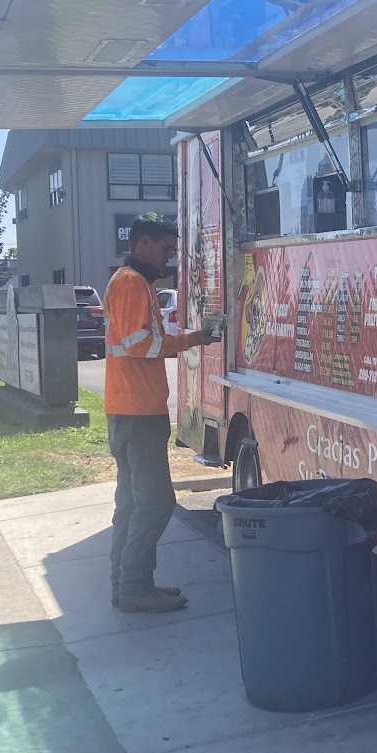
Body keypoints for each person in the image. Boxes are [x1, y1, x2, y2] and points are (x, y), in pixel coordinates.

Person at [104, 214, 216, 612]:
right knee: (155, 502)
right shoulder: (132, 283)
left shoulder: (130, 282)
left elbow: (136, 341)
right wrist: (188, 340)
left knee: (132, 503)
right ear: (144, 243)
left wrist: (187, 339)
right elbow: (139, 344)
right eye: (166, 249)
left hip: (128, 409)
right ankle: (134, 586)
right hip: (137, 411)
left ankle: (126, 584)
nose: (170, 257)